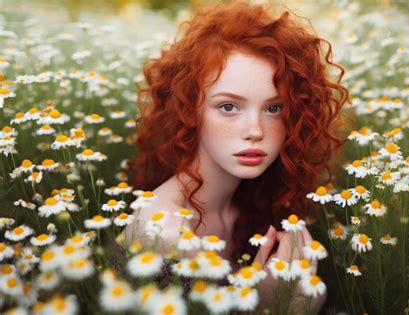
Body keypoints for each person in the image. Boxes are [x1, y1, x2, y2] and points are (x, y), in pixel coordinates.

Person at [121, 1, 348, 312]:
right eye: (228, 106)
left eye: (274, 108)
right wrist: (274, 306)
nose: (255, 130)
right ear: (189, 110)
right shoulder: (164, 232)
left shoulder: (255, 200)